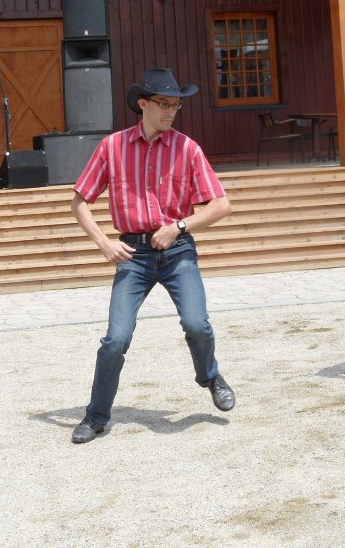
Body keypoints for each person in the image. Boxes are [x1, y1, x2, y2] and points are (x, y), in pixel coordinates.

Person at [69, 68, 235, 443]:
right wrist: (104, 243)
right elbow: (79, 202)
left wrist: (179, 227)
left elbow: (222, 206)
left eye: (176, 105)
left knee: (197, 324)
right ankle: (95, 417)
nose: (171, 111)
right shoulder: (111, 148)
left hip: (177, 250)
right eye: (164, 104)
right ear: (143, 104)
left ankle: (210, 376)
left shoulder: (188, 148)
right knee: (115, 338)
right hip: (133, 254)